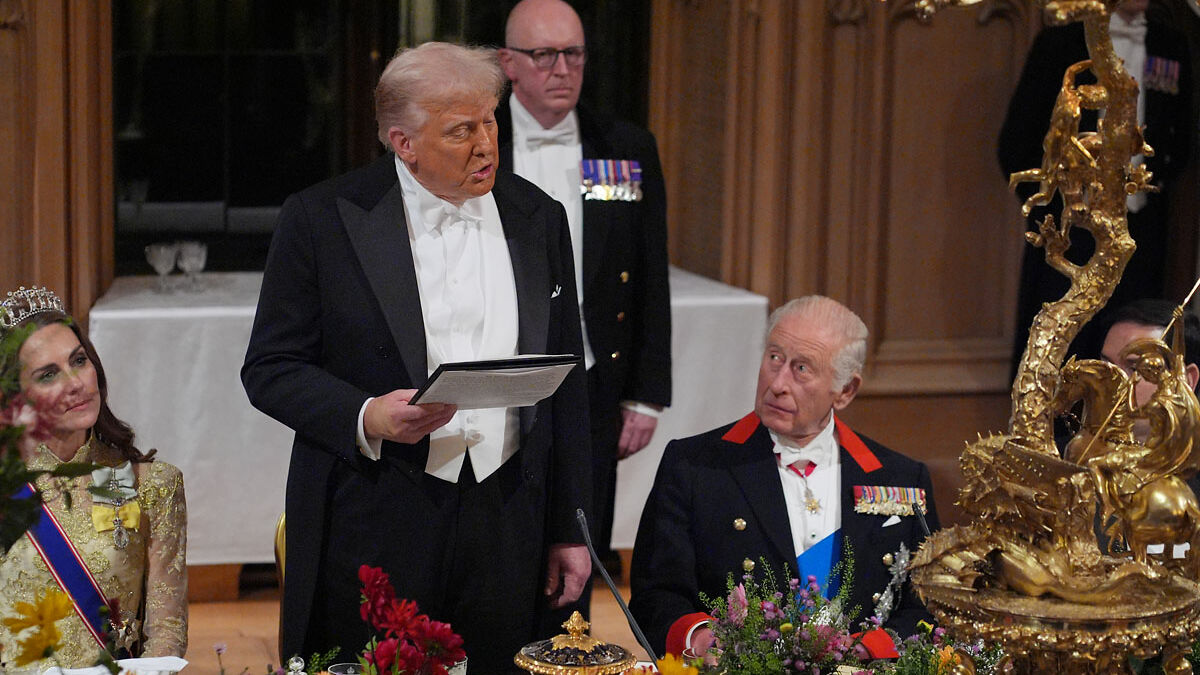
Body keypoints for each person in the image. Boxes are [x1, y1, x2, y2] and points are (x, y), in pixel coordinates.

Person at [241, 43, 592, 673]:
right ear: (403, 142)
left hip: (509, 512)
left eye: (490, 120)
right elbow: (270, 369)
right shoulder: (322, 219)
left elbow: (567, 383)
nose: (487, 143)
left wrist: (571, 526)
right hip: (380, 508)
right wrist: (367, 414)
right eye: (462, 130)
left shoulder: (539, 216)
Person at [629, 296, 938, 657]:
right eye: (774, 358)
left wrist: (868, 650)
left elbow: (927, 604)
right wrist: (699, 638)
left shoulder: (901, 479)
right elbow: (656, 594)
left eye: (802, 369)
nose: (778, 383)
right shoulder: (694, 467)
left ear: (845, 391)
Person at [497, 0, 673, 583]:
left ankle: (572, 664)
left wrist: (646, 396)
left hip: (594, 376)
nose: (562, 69)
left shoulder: (624, 146)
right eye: (544, 55)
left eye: (573, 54)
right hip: (499, 367)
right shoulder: (477, 141)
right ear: (509, 64)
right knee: (501, 537)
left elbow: (649, 272)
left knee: (580, 541)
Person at [999, 0, 1193, 374]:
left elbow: (1180, 140)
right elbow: (1016, 144)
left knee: (1133, 347)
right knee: (1058, 345)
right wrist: (1056, 208)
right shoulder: (1060, 44)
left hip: (1139, 233)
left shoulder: (1171, 45)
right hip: (1070, 231)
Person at [0, 286, 187, 669]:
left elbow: (166, 631)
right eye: (49, 374)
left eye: (79, 360)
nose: (75, 382)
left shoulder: (150, 485)